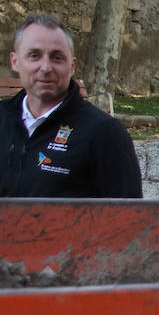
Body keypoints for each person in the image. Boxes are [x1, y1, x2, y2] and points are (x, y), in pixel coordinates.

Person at [2, 12, 142, 198]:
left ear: (72, 66)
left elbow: (129, 219)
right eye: (34, 56)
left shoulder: (105, 133)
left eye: (57, 57)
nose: (45, 68)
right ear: (15, 61)